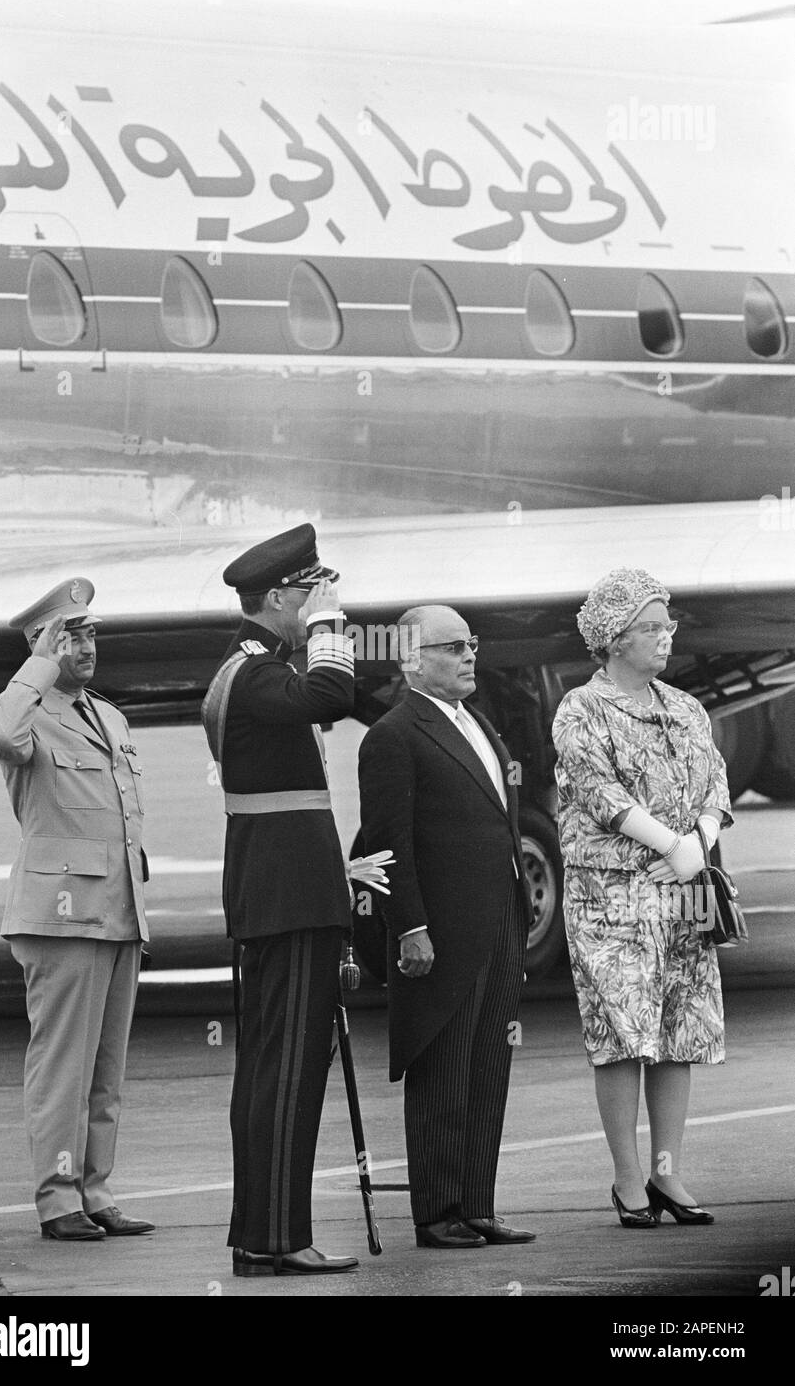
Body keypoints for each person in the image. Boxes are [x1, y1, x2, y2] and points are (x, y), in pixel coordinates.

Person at [551, 567, 731, 1229]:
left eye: (667, 624)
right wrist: (669, 844)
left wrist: (698, 842)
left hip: (681, 898)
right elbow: (597, 793)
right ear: (613, 639)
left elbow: (715, 786)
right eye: (650, 628)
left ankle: (665, 1173)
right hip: (611, 898)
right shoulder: (581, 709)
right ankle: (628, 1181)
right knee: (622, 1036)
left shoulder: (685, 708)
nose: (665, 637)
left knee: (677, 1033)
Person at [202, 523, 359, 1278]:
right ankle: (273, 1238)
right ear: (275, 597)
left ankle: (262, 1234)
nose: (317, 602)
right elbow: (333, 691)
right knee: (289, 1070)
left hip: (280, 892)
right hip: (291, 898)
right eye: (307, 590)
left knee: (271, 1070)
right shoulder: (259, 676)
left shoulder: (248, 671)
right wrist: (329, 624)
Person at [357, 605, 535, 1249]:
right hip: (440, 930)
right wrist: (409, 928)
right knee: (442, 1067)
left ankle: (476, 1203)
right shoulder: (393, 735)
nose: (469, 657)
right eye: (453, 647)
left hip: (497, 921)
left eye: (472, 644)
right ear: (411, 658)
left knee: (488, 1066)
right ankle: (437, 1212)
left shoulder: (478, 722)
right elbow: (388, 841)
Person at [0, 579, 154, 1241]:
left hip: (116, 911)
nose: (86, 646)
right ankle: (58, 1200)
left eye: (89, 634)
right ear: (43, 645)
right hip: (61, 915)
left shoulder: (108, 716)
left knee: (105, 1071)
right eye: (70, 635)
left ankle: (95, 1190)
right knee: (64, 1067)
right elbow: (0, 735)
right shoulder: (25, 712)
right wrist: (39, 667)